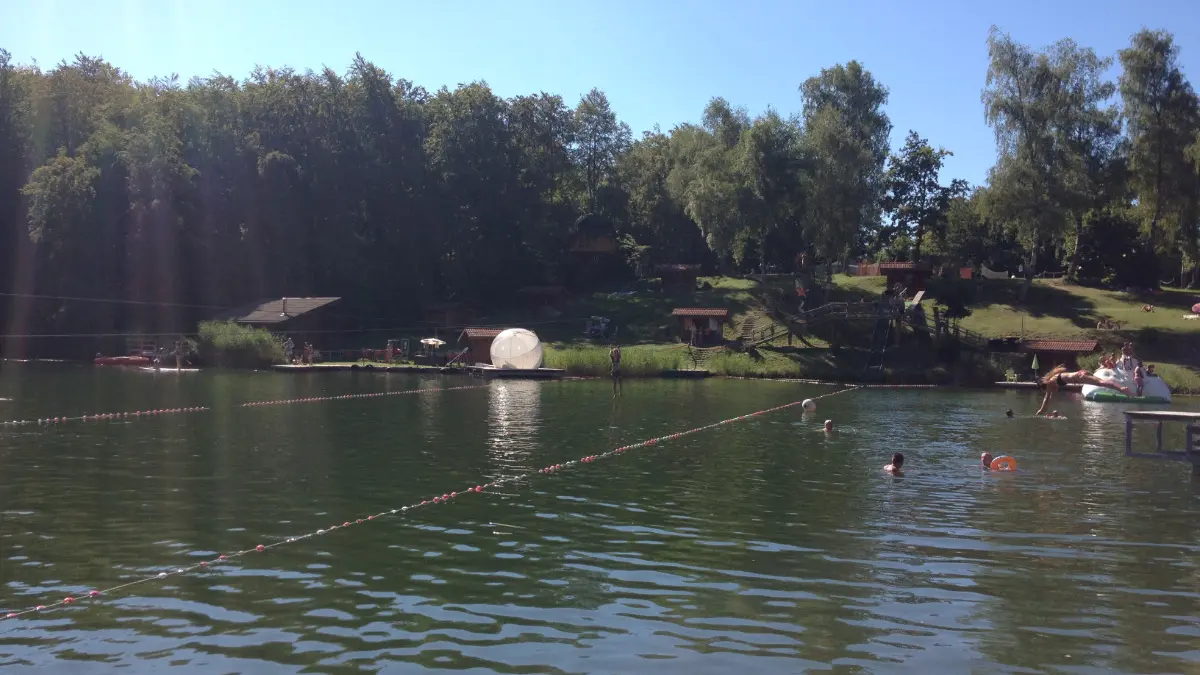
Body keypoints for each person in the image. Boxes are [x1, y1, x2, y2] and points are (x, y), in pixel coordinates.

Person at [1035, 365, 1130, 416]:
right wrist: (1045, 410)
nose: (1047, 390)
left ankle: (1120, 388)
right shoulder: (1054, 379)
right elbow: (1052, 396)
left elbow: (1047, 398)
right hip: (1081, 373)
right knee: (1101, 382)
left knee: (1101, 383)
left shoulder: (1050, 382)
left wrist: (1041, 410)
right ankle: (1120, 388)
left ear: (1045, 385)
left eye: (1045, 389)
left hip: (1080, 376)